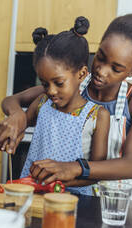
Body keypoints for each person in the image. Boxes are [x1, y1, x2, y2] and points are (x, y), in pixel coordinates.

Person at [0, 13, 132, 186]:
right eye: (101, 57)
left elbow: (130, 166)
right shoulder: (70, 85)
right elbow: (13, 100)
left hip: (106, 200)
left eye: (116, 68)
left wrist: (73, 168)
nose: (101, 71)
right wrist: (17, 116)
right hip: (54, 190)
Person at [18, 17, 110, 195]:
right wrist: (13, 130)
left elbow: (97, 171)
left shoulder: (98, 115)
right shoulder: (42, 103)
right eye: (45, 84)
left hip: (76, 200)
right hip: (33, 193)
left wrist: (60, 181)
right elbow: (20, 123)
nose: (50, 91)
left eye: (59, 83)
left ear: (82, 73)